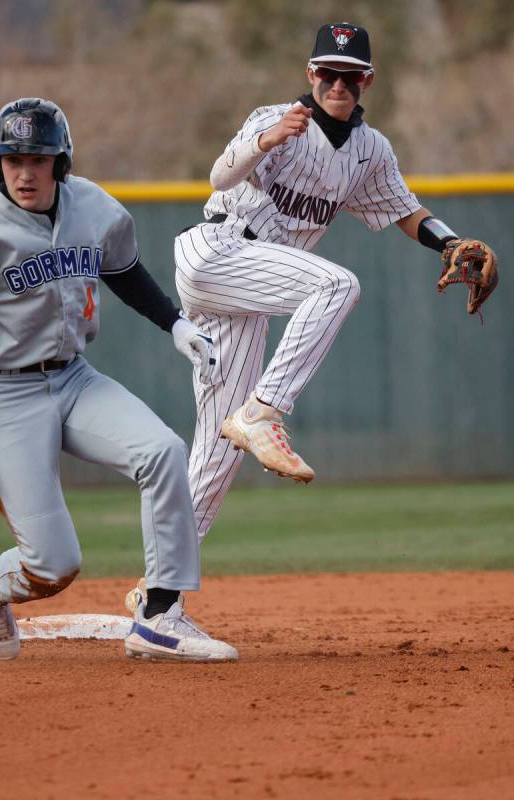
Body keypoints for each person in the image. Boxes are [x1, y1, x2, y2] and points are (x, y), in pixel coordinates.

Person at [0, 97, 237, 663]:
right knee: (53, 566)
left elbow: (125, 271)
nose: (24, 171)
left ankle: (160, 615)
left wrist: (176, 324)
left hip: (72, 377)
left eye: (38, 159)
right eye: (11, 160)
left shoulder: (92, 207)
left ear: (61, 163)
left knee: (163, 450)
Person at [174, 22, 497, 542]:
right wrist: (265, 139)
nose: (338, 86)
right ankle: (264, 412)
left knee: (217, 452)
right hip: (218, 249)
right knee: (337, 286)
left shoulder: (371, 150)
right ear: (311, 73)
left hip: (252, 293)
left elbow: (405, 210)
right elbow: (219, 177)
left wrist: (451, 243)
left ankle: (160, 595)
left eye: (350, 76)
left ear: (367, 81)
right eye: (329, 73)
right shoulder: (276, 119)